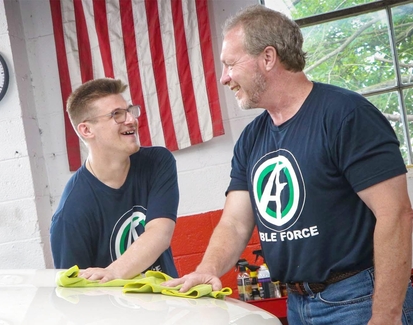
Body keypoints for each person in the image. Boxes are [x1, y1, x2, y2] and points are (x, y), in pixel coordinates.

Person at [162, 5, 413, 324]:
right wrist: (207, 269)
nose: (225, 78)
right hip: (297, 304)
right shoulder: (252, 138)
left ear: (268, 58)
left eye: (230, 64)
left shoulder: (346, 115)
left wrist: (386, 316)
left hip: (358, 300)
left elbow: (396, 214)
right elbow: (235, 223)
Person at [50, 78, 179, 282]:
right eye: (117, 114)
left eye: (129, 110)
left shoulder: (157, 162)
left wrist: (114, 272)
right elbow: (76, 297)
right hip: (114, 313)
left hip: (168, 307)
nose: (131, 120)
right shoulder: (71, 213)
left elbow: (160, 234)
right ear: (87, 130)